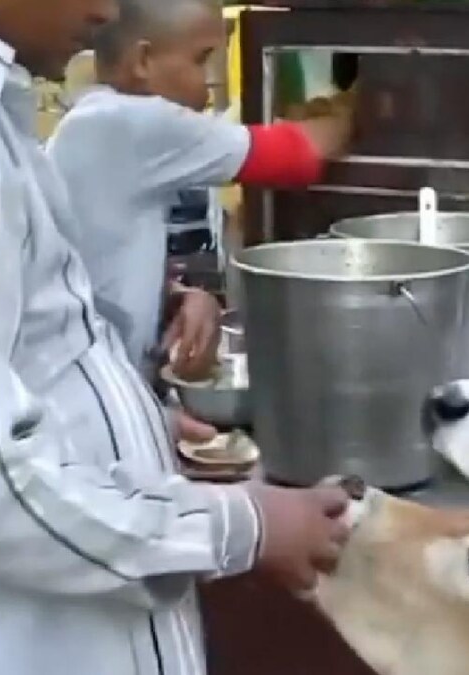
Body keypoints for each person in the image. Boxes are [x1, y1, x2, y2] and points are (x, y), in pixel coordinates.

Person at [0, 2, 350, 675]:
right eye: (202, 61)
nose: (106, 6)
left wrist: (138, 413)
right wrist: (376, 92)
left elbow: (34, 327)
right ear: (142, 61)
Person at [46, 0, 351, 405]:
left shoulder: (92, 122)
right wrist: (360, 102)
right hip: (94, 393)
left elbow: (96, 261)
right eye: (200, 60)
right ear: (142, 60)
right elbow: (298, 156)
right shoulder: (132, 123)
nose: (208, 91)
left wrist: (176, 294)